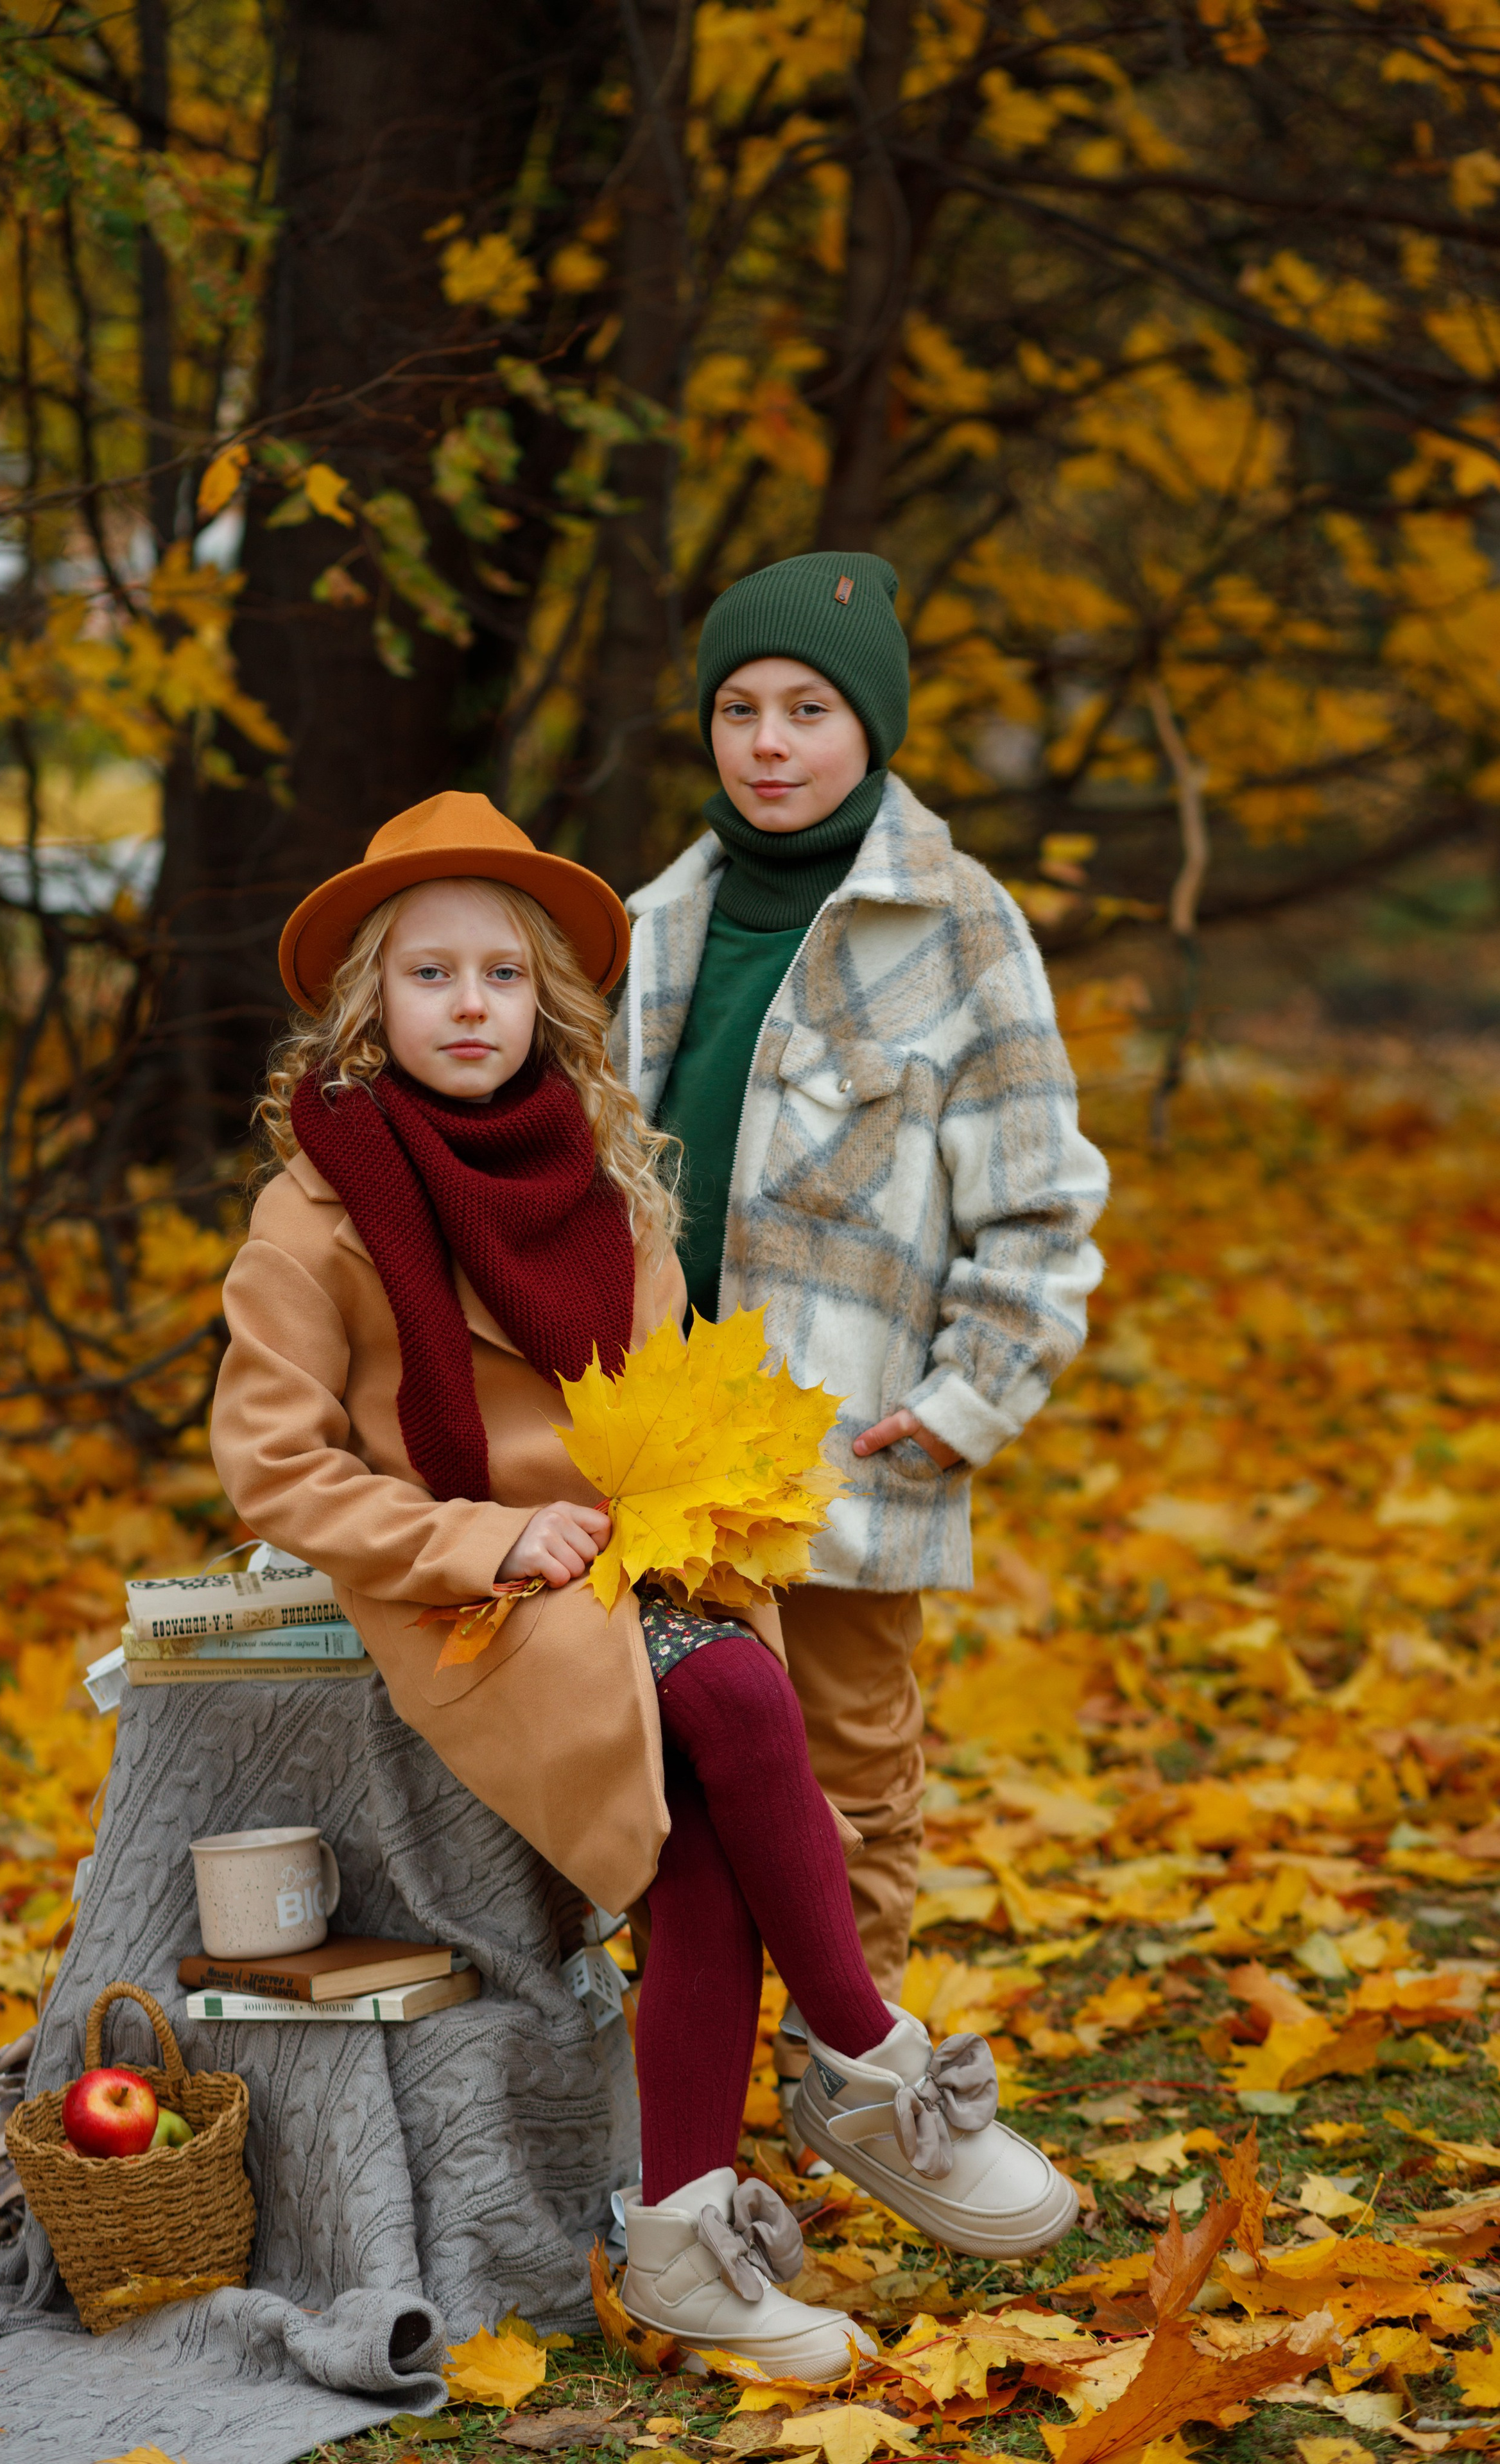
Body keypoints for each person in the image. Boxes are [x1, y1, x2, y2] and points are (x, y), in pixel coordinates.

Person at [209, 791, 1079, 2374]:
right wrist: (487, 1539)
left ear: (546, 999)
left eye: (499, 976)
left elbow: (660, 1410)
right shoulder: (313, 1211)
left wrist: (680, 1521)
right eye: (427, 976)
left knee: (709, 1838)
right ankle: (864, 2058)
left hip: (632, 1571)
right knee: (740, 1691)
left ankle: (682, 2234)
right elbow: (275, 1471)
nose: (468, 1007)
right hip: (454, 1583)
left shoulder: (606, 1185)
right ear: (365, 1004)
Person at [611, 552, 1110, 2072]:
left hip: (840, 1447)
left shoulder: (953, 927)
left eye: (808, 711)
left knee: (841, 1780)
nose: (769, 744)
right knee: (647, 1782)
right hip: (649, 1454)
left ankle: (850, 2079)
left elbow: (1039, 1206)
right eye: (740, 709)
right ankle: (667, 2098)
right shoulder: (648, 928)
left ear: (868, 729)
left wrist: (962, 1406)